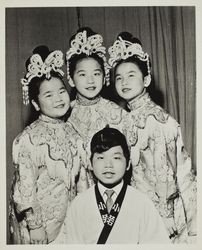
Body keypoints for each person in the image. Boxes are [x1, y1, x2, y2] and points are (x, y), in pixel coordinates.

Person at [108, 32, 197, 243]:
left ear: (146, 79)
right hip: (137, 208)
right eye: (119, 77)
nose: (124, 82)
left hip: (161, 214)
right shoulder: (122, 119)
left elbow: (166, 172)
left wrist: (164, 216)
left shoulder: (158, 120)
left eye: (131, 75)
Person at [9, 45, 83, 244]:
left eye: (61, 91)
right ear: (35, 103)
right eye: (48, 95)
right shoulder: (28, 139)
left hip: (70, 223)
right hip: (41, 230)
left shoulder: (73, 133)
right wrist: (35, 226)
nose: (58, 99)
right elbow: (25, 187)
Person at [65, 126, 170, 244]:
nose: (108, 164)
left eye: (116, 157)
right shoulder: (79, 204)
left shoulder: (142, 203)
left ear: (128, 164)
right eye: (100, 157)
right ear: (90, 163)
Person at [65, 27, 127, 192]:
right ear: (71, 79)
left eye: (96, 74)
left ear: (105, 76)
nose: (90, 81)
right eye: (83, 75)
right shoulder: (63, 115)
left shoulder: (118, 114)